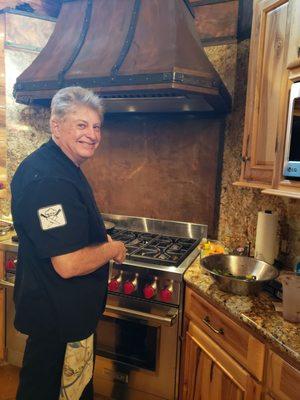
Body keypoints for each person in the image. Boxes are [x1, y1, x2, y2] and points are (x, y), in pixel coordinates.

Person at [11, 86, 126, 400]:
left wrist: (95, 236)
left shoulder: (60, 166)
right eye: (81, 125)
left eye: (96, 126)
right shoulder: (50, 180)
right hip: (57, 322)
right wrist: (111, 248)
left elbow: (66, 231)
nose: (91, 134)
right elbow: (67, 264)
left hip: (65, 318)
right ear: (56, 126)